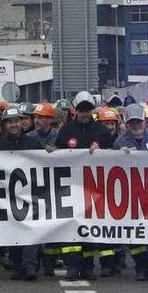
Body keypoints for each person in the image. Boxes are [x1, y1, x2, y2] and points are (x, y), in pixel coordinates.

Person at [53, 91, 113, 281]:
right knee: (71, 228)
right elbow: (55, 156)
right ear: (75, 109)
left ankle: (87, 267)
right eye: (81, 109)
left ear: (92, 109)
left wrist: (103, 151)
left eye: (88, 109)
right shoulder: (66, 131)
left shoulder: (101, 132)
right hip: (70, 188)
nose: (85, 113)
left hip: (94, 189)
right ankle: (72, 266)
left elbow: (114, 155)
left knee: (89, 228)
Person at [114, 103, 148, 282]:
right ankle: (141, 268)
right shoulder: (120, 142)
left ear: (144, 121)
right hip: (132, 196)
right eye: (132, 122)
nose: (136, 125)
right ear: (126, 123)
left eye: (138, 121)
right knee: (136, 236)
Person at [0, 107, 43, 281]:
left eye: (16, 121)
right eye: (10, 122)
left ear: (21, 123)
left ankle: (30, 266)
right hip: (8, 196)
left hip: (30, 195)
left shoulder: (33, 144)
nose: (14, 125)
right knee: (13, 230)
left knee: (30, 229)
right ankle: (18, 265)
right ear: (4, 124)